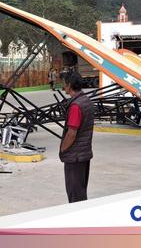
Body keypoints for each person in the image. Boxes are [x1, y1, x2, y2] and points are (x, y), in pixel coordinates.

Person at [59, 72, 94, 203]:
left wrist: (63, 149)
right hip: (84, 154)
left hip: (75, 156)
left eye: (64, 84)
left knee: (75, 194)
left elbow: (71, 133)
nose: (63, 87)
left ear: (69, 85)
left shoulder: (75, 106)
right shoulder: (86, 100)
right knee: (81, 190)